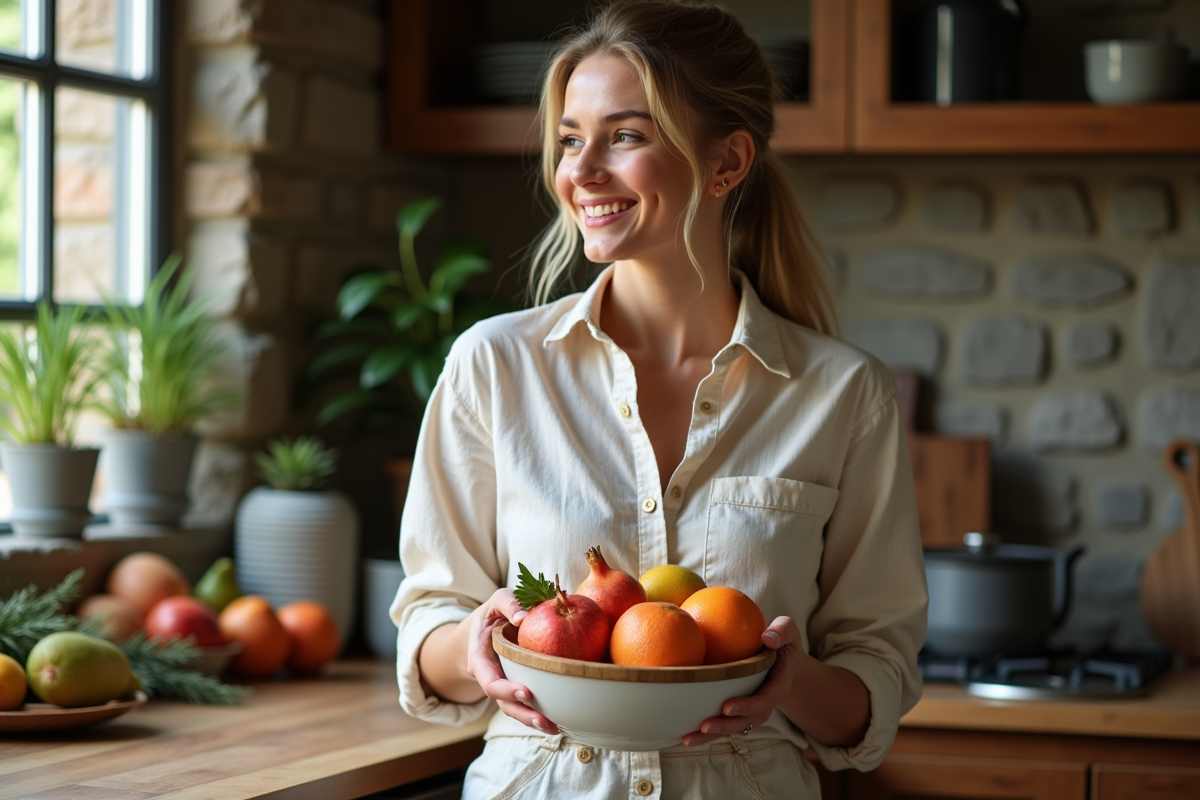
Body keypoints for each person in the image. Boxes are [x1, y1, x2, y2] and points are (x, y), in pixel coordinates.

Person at [391, 2, 927, 797]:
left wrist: (789, 679)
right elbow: (429, 624)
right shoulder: (495, 365)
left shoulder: (845, 395)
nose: (580, 171)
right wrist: (474, 640)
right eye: (570, 139)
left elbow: (872, 684)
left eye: (625, 136)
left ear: (727, 161)